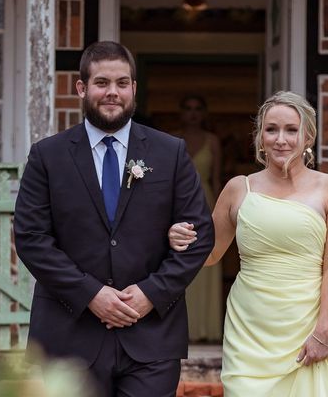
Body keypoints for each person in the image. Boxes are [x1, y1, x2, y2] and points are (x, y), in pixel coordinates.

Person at [13, 41, 215, 397]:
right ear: (82, 88)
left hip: (151, 337)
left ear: (134, 89)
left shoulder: (171, 152)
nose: (112, 92)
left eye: (122, 83)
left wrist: (150, 294)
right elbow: (31, 238)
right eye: (102, 83)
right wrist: (91, 294)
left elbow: (199, 235)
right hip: (68, 336)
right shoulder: (48, 155)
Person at [168, 91, 328, 396]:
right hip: (250, 327)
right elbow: (210, 254)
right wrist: (177, 237)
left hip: (306, 321)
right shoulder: (239, 188)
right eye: (272, 129)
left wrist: (322, 330)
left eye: (291, 130)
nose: (281, 139)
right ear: (260, 137)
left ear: (308, 136)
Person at [172, 95, 223, 342]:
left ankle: (205, 329)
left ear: (204, 113)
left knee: (206, 262)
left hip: (207, 201)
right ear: (181, 112)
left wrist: (218, 217)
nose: (192, 113)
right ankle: (182, 329)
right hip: (178, 202)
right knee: (178, 260)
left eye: (197, 108)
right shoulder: (172, 139)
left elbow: (216, 178)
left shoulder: (212, 141)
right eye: (188, 108)